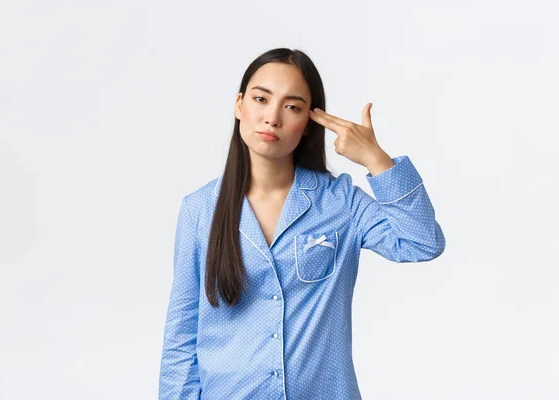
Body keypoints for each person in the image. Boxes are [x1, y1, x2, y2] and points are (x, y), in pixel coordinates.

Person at [158, 47, 445, 400]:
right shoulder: (199, 210)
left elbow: (422, 242)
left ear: (309, 123)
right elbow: (182, 336)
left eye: (292, 107)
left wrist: (375, 159)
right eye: (261, 99)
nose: (272, 117)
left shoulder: (340, 202)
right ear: (239, 105)